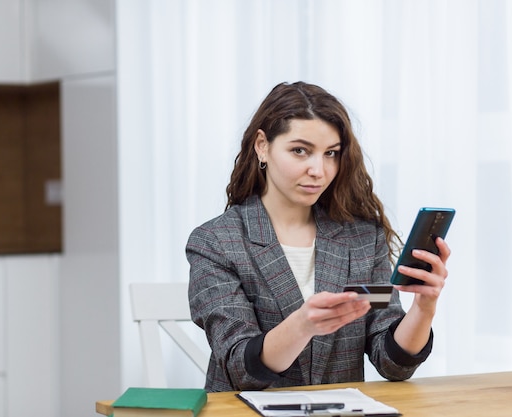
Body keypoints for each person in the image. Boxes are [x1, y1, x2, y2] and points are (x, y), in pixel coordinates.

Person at [186, 81, 451, 392]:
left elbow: (391, 360)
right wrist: (302, 325)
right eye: (300, 151)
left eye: (331, 154)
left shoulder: (362, 239)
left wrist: (424, 307)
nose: (319, 170)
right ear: (262, 146)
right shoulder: (216, 242)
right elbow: (239, 367)